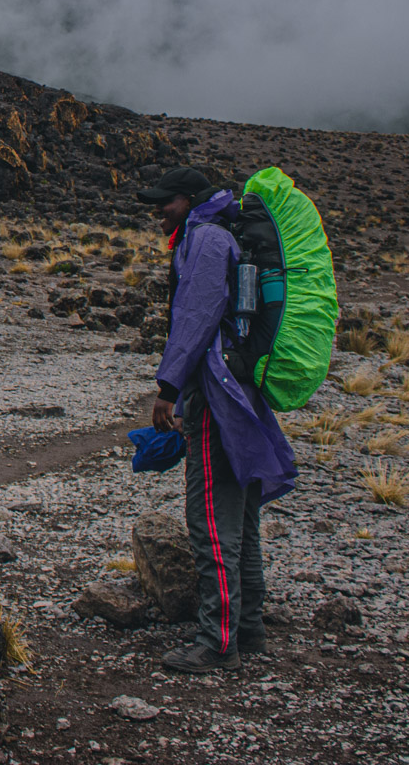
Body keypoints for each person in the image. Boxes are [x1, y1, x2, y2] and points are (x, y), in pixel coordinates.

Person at [139, 168, 297, 674]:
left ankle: (217, 642)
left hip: (218, 394)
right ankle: (248, 629)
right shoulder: (223, 233)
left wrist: (169, 387)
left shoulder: (206, 239)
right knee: (240, 515)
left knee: (211, 517)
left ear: (188, 200)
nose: (158, 211)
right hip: (239, 387)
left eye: (165, 201)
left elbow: (196, 315)